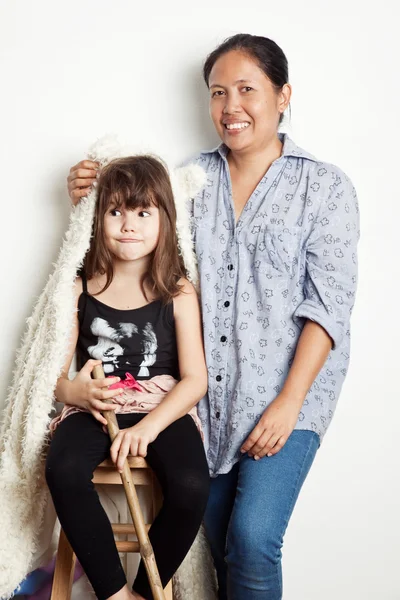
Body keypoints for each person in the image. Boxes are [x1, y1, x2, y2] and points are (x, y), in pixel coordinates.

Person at [67, 34, 360, 600]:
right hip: (209, 403)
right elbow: (133, 220)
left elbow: (328, 308)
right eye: (218, 93)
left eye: (247, 90)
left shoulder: (324, 187)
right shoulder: (188, 182)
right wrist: (89, 190)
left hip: (287, 400)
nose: (231, 108)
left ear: (283, 96)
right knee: (221, 547)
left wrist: (288, 403)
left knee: (253, 541)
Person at [46, 155, 210, 600]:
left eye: (143, 212)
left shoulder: (177, 291)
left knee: (193, 485)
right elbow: (54, 377)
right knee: (62, 468)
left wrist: (151, 427)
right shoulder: (80, 288)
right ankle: (117, 595)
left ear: (165, 220)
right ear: (97, 218)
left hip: (161, 408)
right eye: (115, 211)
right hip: (96, 407)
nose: (128, 225)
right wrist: (75, 391)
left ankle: (145, 591)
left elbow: (195, 380)